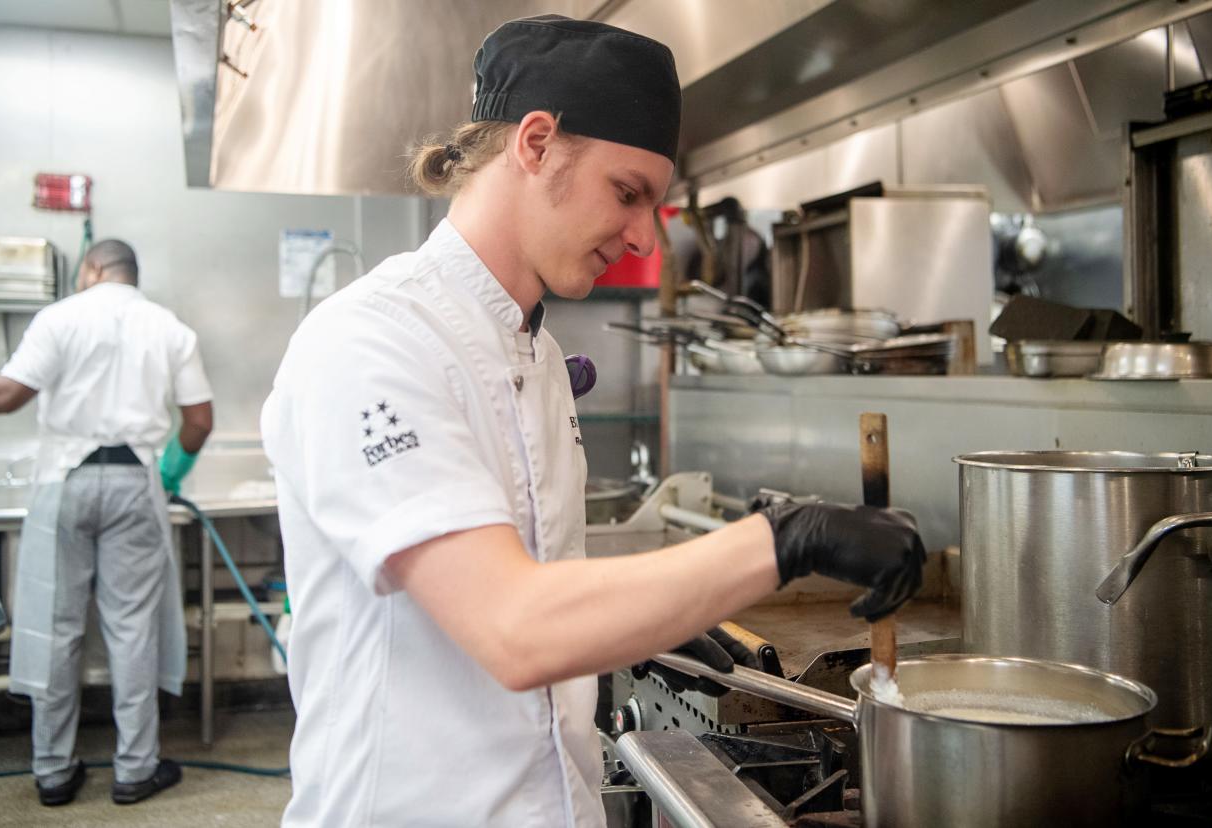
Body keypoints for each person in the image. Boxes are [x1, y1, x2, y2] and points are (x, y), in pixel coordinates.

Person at [261, 15, 924, 827]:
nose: (646, 234)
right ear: (536, 144)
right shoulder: (372, 342)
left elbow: (538, 578)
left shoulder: (534, 354)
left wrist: (639, 630)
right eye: (627, 192)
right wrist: (785, 539)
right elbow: (515, 626)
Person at [0, 239, 213, 806]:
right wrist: (169, 471)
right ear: (130, 273)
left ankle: (53, 771)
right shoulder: (169, 327)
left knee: (57, 626)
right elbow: (199, 420)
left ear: (92, 269)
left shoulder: (59, 318)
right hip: (135, 482)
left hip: (65, 480)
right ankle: (136, 769)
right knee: (132, 629)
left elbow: (9, 394)